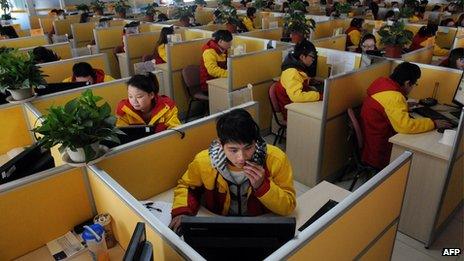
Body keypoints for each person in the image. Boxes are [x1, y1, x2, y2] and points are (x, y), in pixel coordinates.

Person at [169, 109, 296, 233]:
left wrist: (262, 186)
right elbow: (186, 186)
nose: (241, 157)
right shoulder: (204, 161)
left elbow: (288, 205)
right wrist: (182, 211)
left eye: (248, 148)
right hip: (220, 226)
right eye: (233, 150)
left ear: (255, 142)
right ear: (220, 145)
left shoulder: (276, 159)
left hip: (260, 226)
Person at [360, 62, 452, 170]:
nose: (413, 87)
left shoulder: (383, 83)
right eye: (415, 84)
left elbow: (385, 107)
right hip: (379, 149)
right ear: (408, 83)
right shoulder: (394, 97)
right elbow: (405, 126)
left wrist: (404, 105)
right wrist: (433, 123)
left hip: (372, 139)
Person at [275, 40, 322, 119]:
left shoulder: (296, 66)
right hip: (291, 111)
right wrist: (318, 96)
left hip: (297, 106)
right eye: (312, 56)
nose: (313, 59)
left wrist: (309, 81)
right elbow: (297, 97)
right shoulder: (291, 72)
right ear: (302, 57)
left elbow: (298, 81)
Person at [116, 73, 181, 130]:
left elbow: (174, 130)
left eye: (139, 97)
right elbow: (121, 134)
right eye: (130, 96)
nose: (134, 101)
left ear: (151, 95)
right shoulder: (124, 110)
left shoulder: (167, 107)